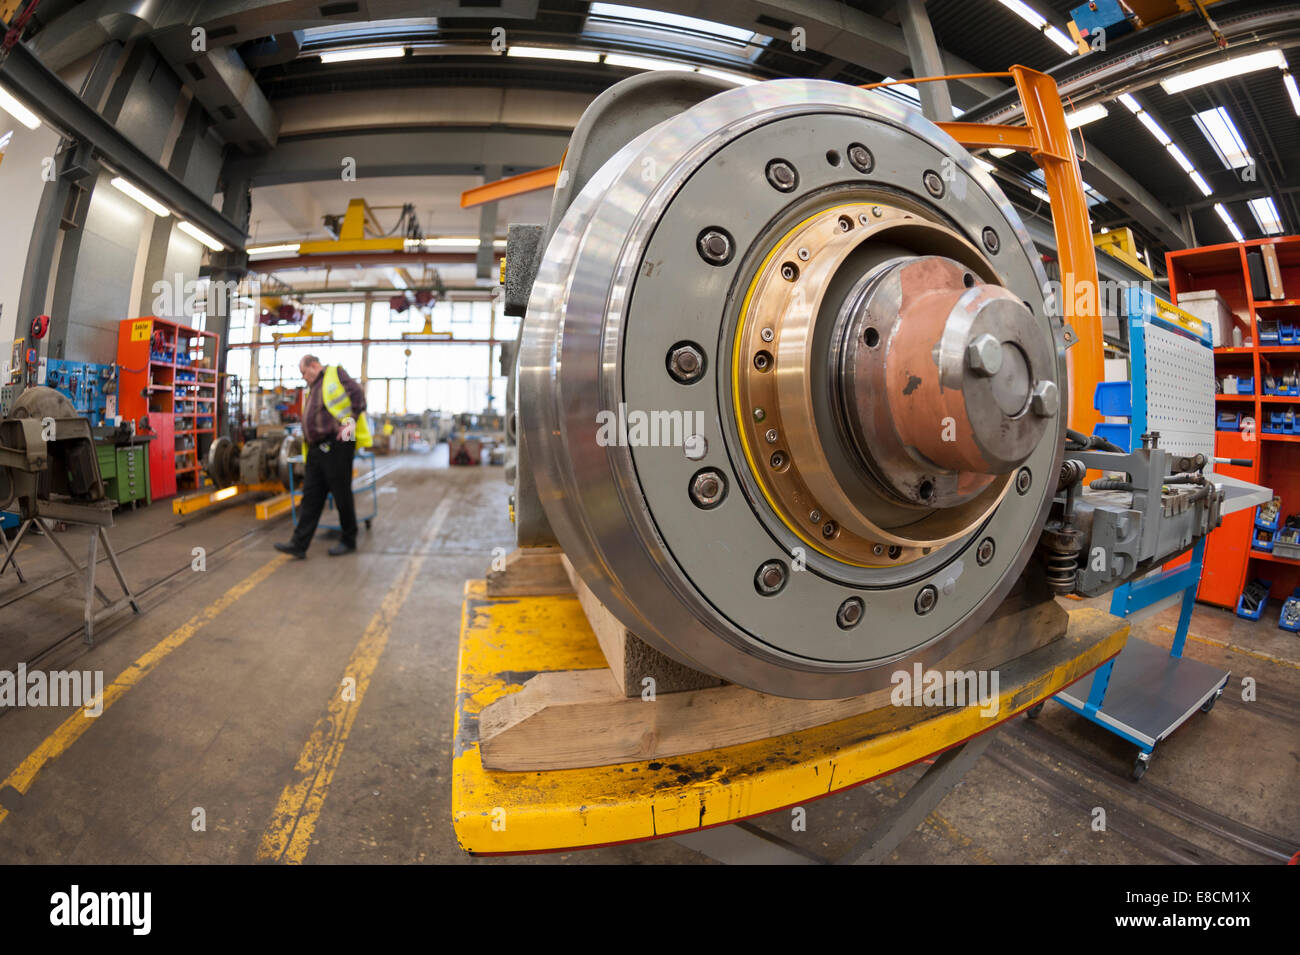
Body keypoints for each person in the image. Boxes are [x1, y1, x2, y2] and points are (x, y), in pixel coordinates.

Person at [275, 354, 371, 558]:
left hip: (337, 445)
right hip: (316, 450)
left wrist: (350, 423)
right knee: (310, 497)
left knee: (341, 494)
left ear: (314, 365)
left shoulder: (334, 374)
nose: (303, 377)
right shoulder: (313, 388)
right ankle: (299, 544)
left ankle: (348, 539)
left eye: (303, 372)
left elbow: (358, 394)